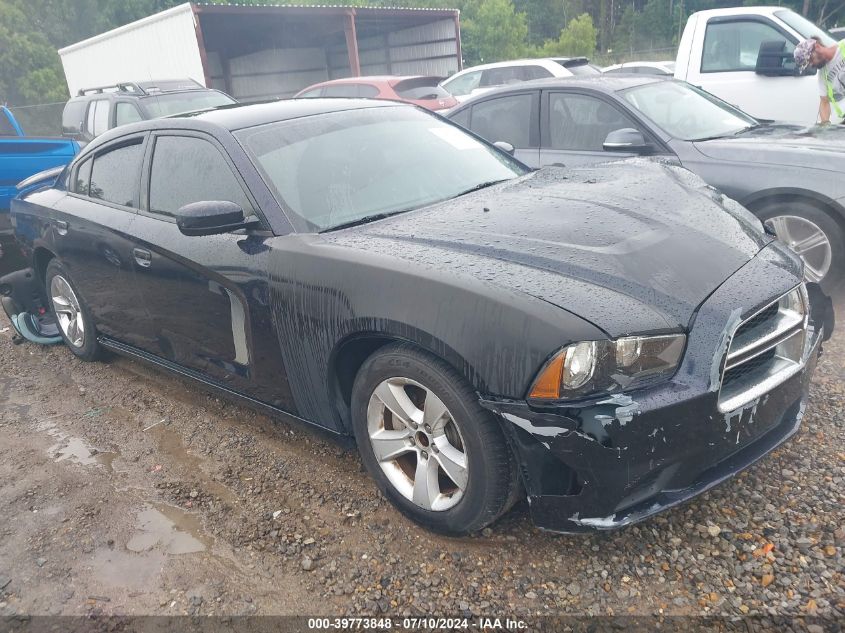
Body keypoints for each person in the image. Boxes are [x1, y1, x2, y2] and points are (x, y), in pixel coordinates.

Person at [793, 36, 845, 124]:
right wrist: (825, 125)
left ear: (816, 47)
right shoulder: (823, 75)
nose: (811, 65)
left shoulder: (843, 47)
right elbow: (824, 102)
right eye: (808, 64)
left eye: (810, 60)